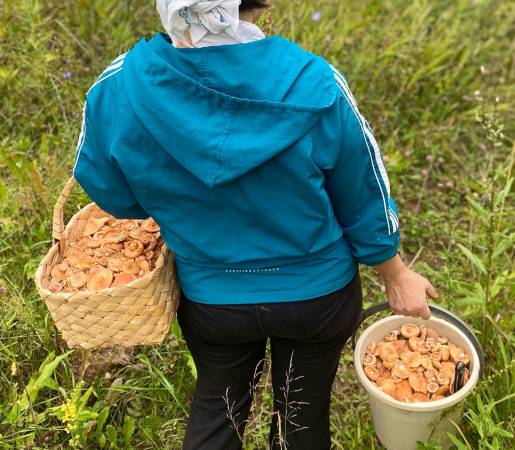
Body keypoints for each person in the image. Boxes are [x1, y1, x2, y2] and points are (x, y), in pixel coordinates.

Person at [71, 0, 437, 448]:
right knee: (301, 418)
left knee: (217, 410)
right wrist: (396, 275)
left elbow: (111, 192)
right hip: (317, 298)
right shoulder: (314, 81)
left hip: (213, 303)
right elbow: (363, 192)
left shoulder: (120, 86)